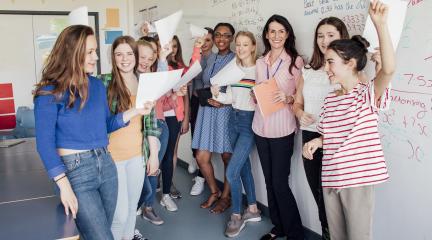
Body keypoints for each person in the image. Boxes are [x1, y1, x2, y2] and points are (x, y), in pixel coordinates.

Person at [34, 25, 152, 240]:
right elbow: (44, 143)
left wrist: (136, 111)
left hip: (106, 164)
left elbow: (106, 124)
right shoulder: (49, 92)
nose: (96, 57)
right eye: (90, 52)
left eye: (95, 51)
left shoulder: (97, 86)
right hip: (75, 170)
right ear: (72, 52)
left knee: (105, 229)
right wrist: (63, 185)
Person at [303, 2, 394, 239]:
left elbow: (389, 71)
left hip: (356, 180)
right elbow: (330, 134)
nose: (327, 68)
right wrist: (317, 142)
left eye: (331, 62)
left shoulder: (366, 94)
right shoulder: (330, 100)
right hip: (331, 177)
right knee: (337, 236)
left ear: (350, 63)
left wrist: (381, 26)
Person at [292, 16, 350, 240]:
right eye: (320, 36)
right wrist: (300, 113)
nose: (324, 40)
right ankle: (327, 234)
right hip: (310, 137)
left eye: (331, 35)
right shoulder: (308, 69)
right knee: (319, 196)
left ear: (341, 37)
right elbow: (297, 103)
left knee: (335, 200)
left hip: (335, 140)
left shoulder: (347, 70)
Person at [99, 36, 160, 240]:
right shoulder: (104, 82)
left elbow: (150, 123)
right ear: (113, 57)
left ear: (135, 55)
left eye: (129, 53)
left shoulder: (145, 81)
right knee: (120, 215)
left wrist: (154, 155)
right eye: (119, 54)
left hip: (137, 156)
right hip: (112, 157)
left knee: (132, 209)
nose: (124, 59)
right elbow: (102, 121)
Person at [252, 15, 304, 240]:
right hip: (260, 128)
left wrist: (289, 97)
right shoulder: (260, 61)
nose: (276, 36)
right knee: (269, 182)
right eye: (272, 31)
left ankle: (295, 234)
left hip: (282, 129)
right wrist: (254, 95)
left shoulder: (296, 61)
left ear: (288, 34)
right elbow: (258, 90)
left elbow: (301, 97)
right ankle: (278, 227)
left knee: (280, 183)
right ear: (266, 34)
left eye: (281, 31)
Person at [210, 31, 261, 237]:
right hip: (234, 119)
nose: (240, 48)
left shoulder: (260, 69)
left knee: (231, 171)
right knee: (243, 166)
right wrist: (217, 94)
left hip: (250, 122)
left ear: (253, 46)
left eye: (245, 45)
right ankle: (254, 209)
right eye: (238, 45)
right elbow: (230, 97)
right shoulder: (234, 69)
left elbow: (264, 97)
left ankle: (237, 216)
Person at [191, 22, 236, 214]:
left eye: (226, 35)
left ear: (232, 38)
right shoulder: (210, 58)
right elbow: (196, 77)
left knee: (227, 157)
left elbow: (243, 88)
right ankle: (214, 191)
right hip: (207, 110)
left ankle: (226, 197)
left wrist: (225, 102)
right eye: (218, 35)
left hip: (226, 110)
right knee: (201, 156)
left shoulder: (237, 58)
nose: (221, 39)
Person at [188, 28, 215, 198]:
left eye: (208, 40)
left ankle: (200, 177)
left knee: (203, 143)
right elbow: (189, 79)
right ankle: (197, 164)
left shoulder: (215, 59)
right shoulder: (194, 57)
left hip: (208, 104)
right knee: (194, 138)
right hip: (194, 101)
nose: (204, 44)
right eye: (202, 40)